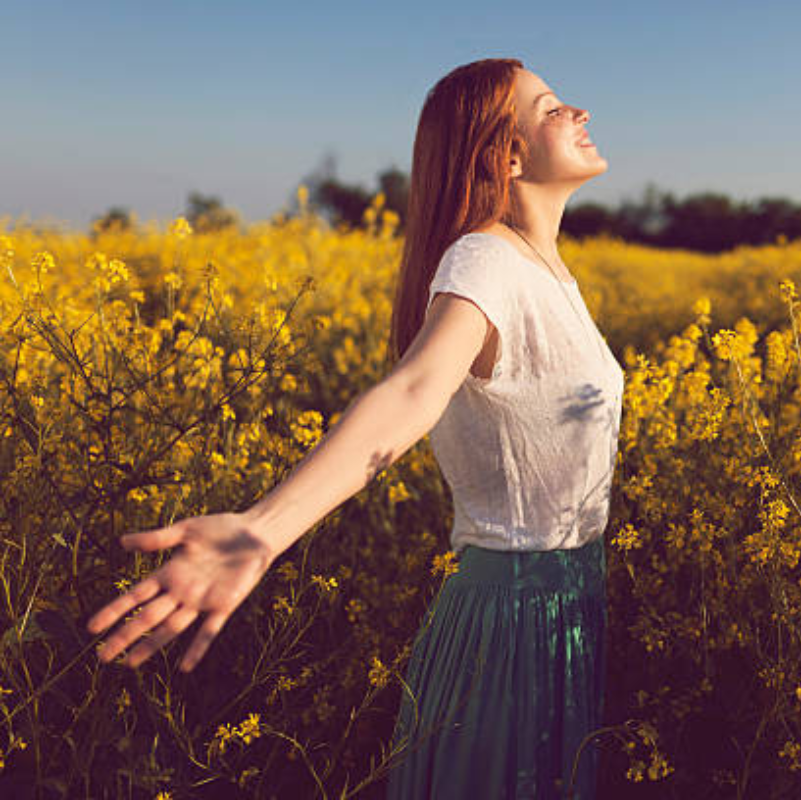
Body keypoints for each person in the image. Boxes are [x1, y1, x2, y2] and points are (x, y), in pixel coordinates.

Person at [85, 57, 622, 799]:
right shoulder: (485, 260)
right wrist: (265, 529)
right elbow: (412, 390)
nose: (580, 113)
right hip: (511, 620)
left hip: (568, 602)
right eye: (553, 106)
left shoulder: (548, 270)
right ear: (509, 154)